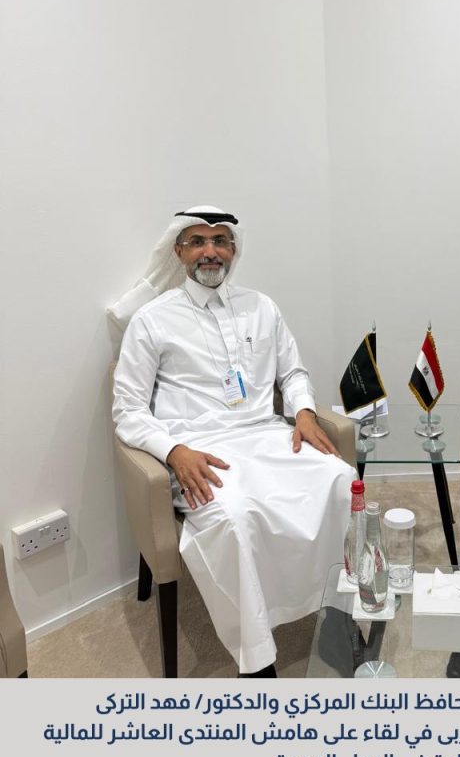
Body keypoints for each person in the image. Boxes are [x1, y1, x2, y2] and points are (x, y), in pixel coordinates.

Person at [110, 205, 355, 677]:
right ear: (179, 251)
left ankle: (341, 617)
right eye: (198, 242)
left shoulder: (262, 307)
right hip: (198, 451)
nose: (210, 251)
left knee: (342, 481)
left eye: (220, 241)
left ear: (233, 249)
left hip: (266, 435)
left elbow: (293, 372)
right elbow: (128, 410)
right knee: (237, 517)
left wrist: (304, 411)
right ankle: (257, 661)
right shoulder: (152, 320)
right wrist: (173, 451)